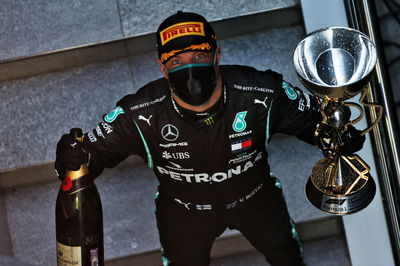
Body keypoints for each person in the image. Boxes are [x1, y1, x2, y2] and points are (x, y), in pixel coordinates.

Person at [55, 11, 365, 266]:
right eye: (176, 61)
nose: (188, 67)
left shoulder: (261, 91)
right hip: (183, 211)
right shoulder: (140, 113)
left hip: (256, 199)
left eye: (198, 54)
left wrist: (336, 137)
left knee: (285, 253)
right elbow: (89, 159)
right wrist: (70, 157)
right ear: (162, 68)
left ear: (216, 54)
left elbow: (313, 123)